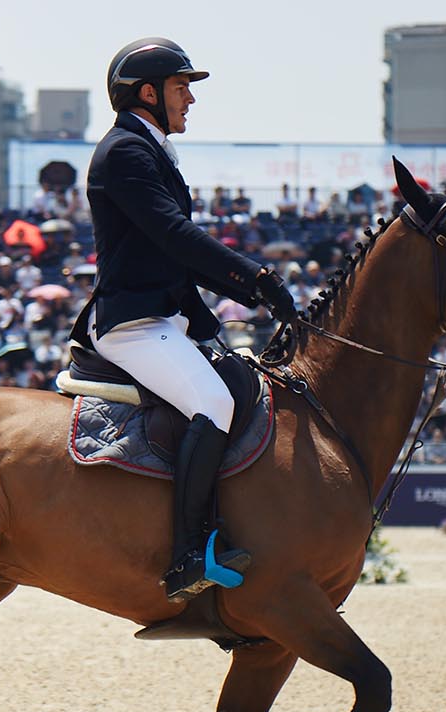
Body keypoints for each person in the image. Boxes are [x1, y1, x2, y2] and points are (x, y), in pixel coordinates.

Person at [87, 37, 297, 602]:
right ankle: (187, 555)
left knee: (243, 381)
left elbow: (174, 265)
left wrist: (215, 328)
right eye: (182, 88)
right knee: (215, 403)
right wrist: (257, 280)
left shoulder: (151, 150)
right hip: (133, 324)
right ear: (148, 93)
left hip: (168, 318)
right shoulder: (125, 153)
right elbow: (177, 239)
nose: (190, 100)